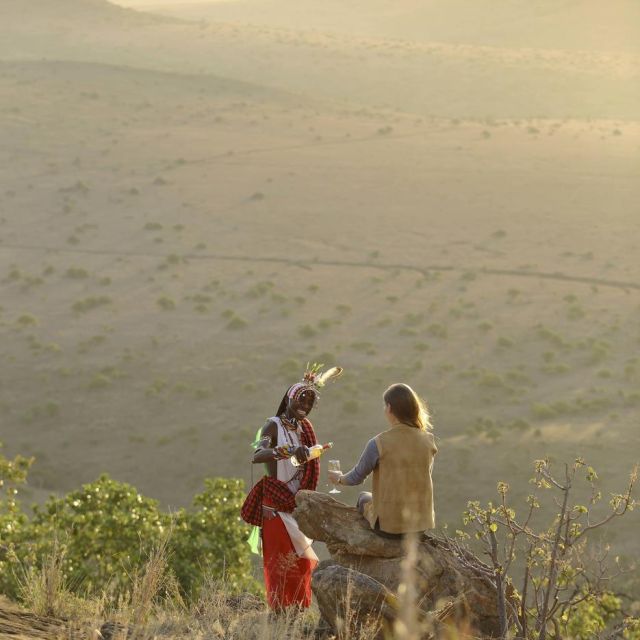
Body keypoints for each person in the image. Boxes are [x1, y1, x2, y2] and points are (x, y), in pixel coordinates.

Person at [240, 365, 342, 610]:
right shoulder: (272, 425)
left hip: (297, 505)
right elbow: (258, 455)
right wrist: (287, 451)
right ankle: (281, 615)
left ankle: (298, 614)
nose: (304, 406)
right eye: (300, 400)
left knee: (301, 564)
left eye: (309, 403)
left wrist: (311, 453)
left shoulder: (305, 429)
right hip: (275, 506)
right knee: (280, 563)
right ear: (288, 399)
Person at [329, 383, 437, 537]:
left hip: (389, 527)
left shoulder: (379, 443)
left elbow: (356, 477)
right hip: (419, 526)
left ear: (389, 408)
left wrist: (339, 479)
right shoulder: (428, 441)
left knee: (363, 497)